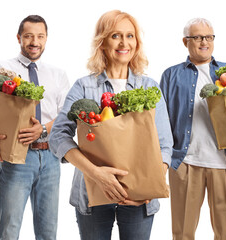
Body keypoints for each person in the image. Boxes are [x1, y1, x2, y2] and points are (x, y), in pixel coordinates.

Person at [48, 10, 173, 240]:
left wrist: (149, 187)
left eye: (130, 36)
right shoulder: (84, 87)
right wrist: (96, 174)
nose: (124, 42)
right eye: (116, 35)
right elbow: (57, 136)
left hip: (139, 200)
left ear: (136, 42)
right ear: (102, 42)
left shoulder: (149, 87)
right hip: (91, 193)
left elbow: (165, 145)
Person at [160, 18, 226, 240]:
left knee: (225, 234)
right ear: (185, 41)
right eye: (198, 37)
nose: (204, 42)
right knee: (181, 234)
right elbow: (159, 119)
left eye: (209, 37)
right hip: (184, 164)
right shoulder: (171, 75)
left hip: (225, 161)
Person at [0, 15, 70, 239]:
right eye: (29, 36)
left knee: (48, 232)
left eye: (40, 36)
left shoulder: (58, 74)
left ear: (46, 39)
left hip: (50, 157)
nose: (34, 42)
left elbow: (65, 115)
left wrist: (43, 129)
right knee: (10, 230)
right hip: (16, 157)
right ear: (19, 37)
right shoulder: (2, 68)